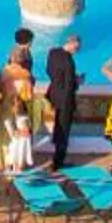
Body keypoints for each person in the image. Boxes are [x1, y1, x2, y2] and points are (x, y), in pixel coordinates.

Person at [0, 40, 39, 170]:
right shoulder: (26, 73)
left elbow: (0, 88)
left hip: (6, 104)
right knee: (20, 138)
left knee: (6, 136)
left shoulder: (4, 71)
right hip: (21, 107)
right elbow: (29, 93)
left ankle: (5, 163)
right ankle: (19, 165)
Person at [45, 35, 84, 169]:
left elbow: (49, 71)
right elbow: (69, 85)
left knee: (58, 128)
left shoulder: (53, 53)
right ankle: (58, 162)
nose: (77, 50)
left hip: (53, 95)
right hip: (65, 100)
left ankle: (57, 159)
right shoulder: (69, 62)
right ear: (71, 43)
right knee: (63, 130)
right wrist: (77, 82)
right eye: (77, 47)